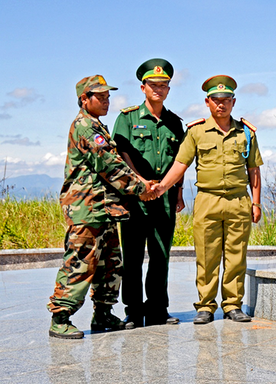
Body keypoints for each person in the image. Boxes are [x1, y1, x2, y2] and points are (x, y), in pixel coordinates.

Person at [48, 75, 154, 339]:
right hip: (86, 209)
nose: (107, 101)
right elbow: (109, 166)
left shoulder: (97, 126)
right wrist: (142, 189)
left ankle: (103, 313)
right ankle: (60, 318)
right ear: (84, 99)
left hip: (105, 209)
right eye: (100, 96)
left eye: (108, 96)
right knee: (80, 263)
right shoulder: (85, 127)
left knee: (110, 264)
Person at [152, 75, 263, 324]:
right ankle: (205, 306)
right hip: (207, 200)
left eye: (225, 100)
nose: (220, 104)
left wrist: (256, 203)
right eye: (215, 100)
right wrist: (162, 187)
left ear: (233, 102)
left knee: (236, 256)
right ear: (207, 102)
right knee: (206, 256)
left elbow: (254, 170)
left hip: (238, 201)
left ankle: (233, 305)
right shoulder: (196, 132)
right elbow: (181, 164)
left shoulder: (245, 132)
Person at [112, 58, 185, 329]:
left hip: (164, 197)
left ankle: (157, 307)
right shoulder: (127, 117)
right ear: (143, 87)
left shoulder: (175, 122)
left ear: (168, 89)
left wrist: (176, 192)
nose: (159, 89)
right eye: (153, 85)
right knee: (131, 255)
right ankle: (133, 309)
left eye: (164, 85)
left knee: (160, 254)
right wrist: (140, 182)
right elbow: (122, 153)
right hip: (135, 197)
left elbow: (181, 159)